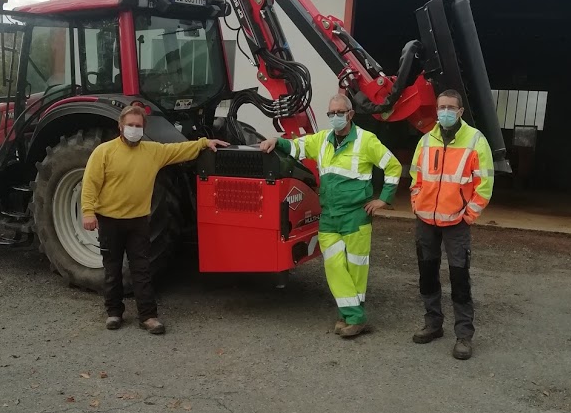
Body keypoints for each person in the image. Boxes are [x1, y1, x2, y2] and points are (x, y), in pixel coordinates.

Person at [260, 94, 402, 337]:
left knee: (356, 269)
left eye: (339, 112)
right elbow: (297, 146)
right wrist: (276, 140)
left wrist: (384, 199)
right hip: (329, 216)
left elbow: (393, 166)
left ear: (350, 114)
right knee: (334, 265)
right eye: (331, 113)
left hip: (356, 216)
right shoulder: (322, 140)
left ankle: (350, 316)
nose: (335, 117)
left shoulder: (366, 140)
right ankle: (355, 315)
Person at [81, 105, 228, 334]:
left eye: (138, 126)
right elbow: (90, 183)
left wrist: (203, 143)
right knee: (112, 269)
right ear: (120, 126)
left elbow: (178, 150)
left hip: (138, 221)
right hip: (110, 221)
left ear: (144, 128)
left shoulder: (153, 152)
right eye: (130, 125)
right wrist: (88, 212)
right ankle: (114, 312)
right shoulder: (104, 152)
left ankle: (148, 316)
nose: (134, 129)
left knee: (142, 270)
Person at [410, 89, 494, 360]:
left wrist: (469, 215)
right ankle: (433, 323)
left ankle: (464, 335)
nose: (444, 112)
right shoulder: (426, 140)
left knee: (459, 278)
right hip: (426, 221)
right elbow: (415, 176)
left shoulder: (475, 140)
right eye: (441, 107)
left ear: (460, 111)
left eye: (450, 107)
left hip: (457, 222)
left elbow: (485, 183)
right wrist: (416, 202)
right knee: (427, 274)